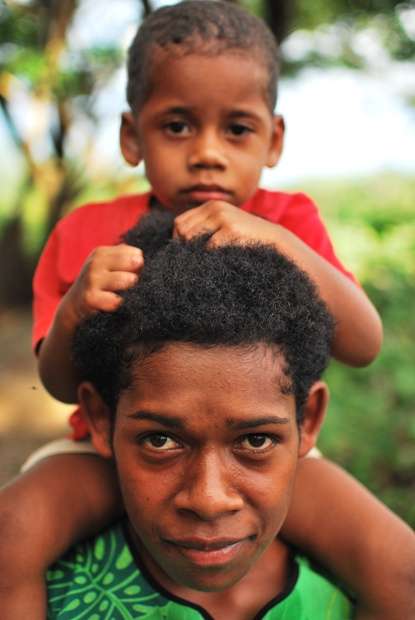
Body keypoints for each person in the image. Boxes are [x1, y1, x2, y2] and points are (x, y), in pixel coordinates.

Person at [0, 2, 413, 619]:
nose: (208, 154)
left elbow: (363, 342)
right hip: (101, 448)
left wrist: (279, 243)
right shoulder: (87, 232)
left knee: (399, 565)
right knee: (11, 533)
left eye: (237, 130)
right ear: (132, 136)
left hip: (254, 453)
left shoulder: (288, 224)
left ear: (273, 140)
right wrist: (73, 311)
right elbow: (61, 384)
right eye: (177, 127)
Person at [46, 208, 352, 618]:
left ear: (308, 420)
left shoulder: (347, 598)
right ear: (101, 419)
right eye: (161, 440)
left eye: (255, 440)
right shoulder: (52, 596)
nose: (208, 500)